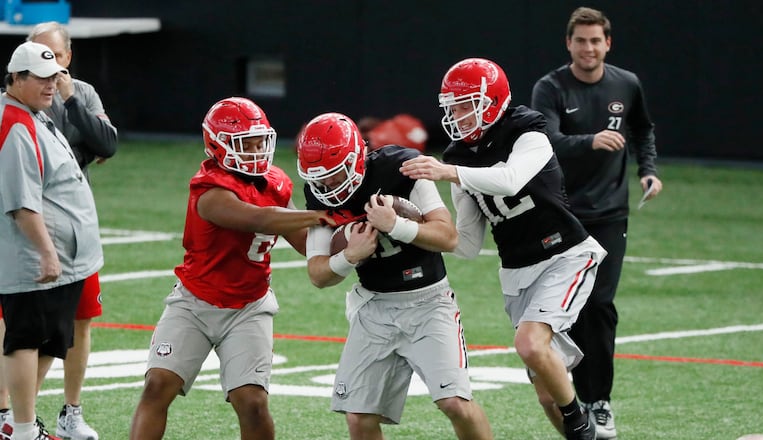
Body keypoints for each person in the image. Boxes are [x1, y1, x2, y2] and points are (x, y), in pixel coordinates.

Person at [400, 58, 606, 440]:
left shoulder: (528, 133)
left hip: (565, 255)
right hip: (517, 272)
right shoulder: (460, 158)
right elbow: (467, 245)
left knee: (529, 344)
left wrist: (449, 173)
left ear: (492, 101)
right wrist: (409, 224)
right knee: (546, 393)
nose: (457, 114)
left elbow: (510, 181)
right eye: (453, 106)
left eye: (466, 104)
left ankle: (580, 422)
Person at [128, 97, 337, 440]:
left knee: (252, 400)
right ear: (217, 144)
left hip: (249, 307)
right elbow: (259, 217)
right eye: (245, 143)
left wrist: (352, 237)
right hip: (194, 302)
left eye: (259, 141)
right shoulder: (209, 189)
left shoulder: (276, 183)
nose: (256, 150)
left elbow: (305, 243)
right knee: (157, 385)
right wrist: (318, 214)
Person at [296, 112, 493, 440]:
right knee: (358, 416)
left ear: (358, 158)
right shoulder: (317, 191)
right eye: (320, 178)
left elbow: (447, 237)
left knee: (455, 403)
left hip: (428, 302)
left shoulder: (401, 168)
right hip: (374, 308)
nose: (328, 185)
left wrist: (396, 226)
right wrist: (349, 256)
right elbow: (318, 273)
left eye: (335, 174)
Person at [531, 7, 663, 438]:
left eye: (596, 40)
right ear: (568, 44)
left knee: (600, 304)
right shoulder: (549, 88)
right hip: (562, 214)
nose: (589, 48)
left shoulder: (627, 83)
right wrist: (590, 141)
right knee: (566, 310)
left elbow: (643, 128)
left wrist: (648, 169)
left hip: (609, 214)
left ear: (608, 43)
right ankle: (563, 386)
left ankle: (598, 401)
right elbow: (544, 142)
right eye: (581, 41)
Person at [0, 21, 118, 440]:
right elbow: (22, 201)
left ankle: (22, 424)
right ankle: (21, 426)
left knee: (52, 337)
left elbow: (105, 144)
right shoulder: (16, 123)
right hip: (38, 256)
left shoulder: (40, 110)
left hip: (67, 254)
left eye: (55, 77)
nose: (52, 86)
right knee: (25, 337)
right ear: (16, 78)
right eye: (41, 78)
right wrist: (48, 253)